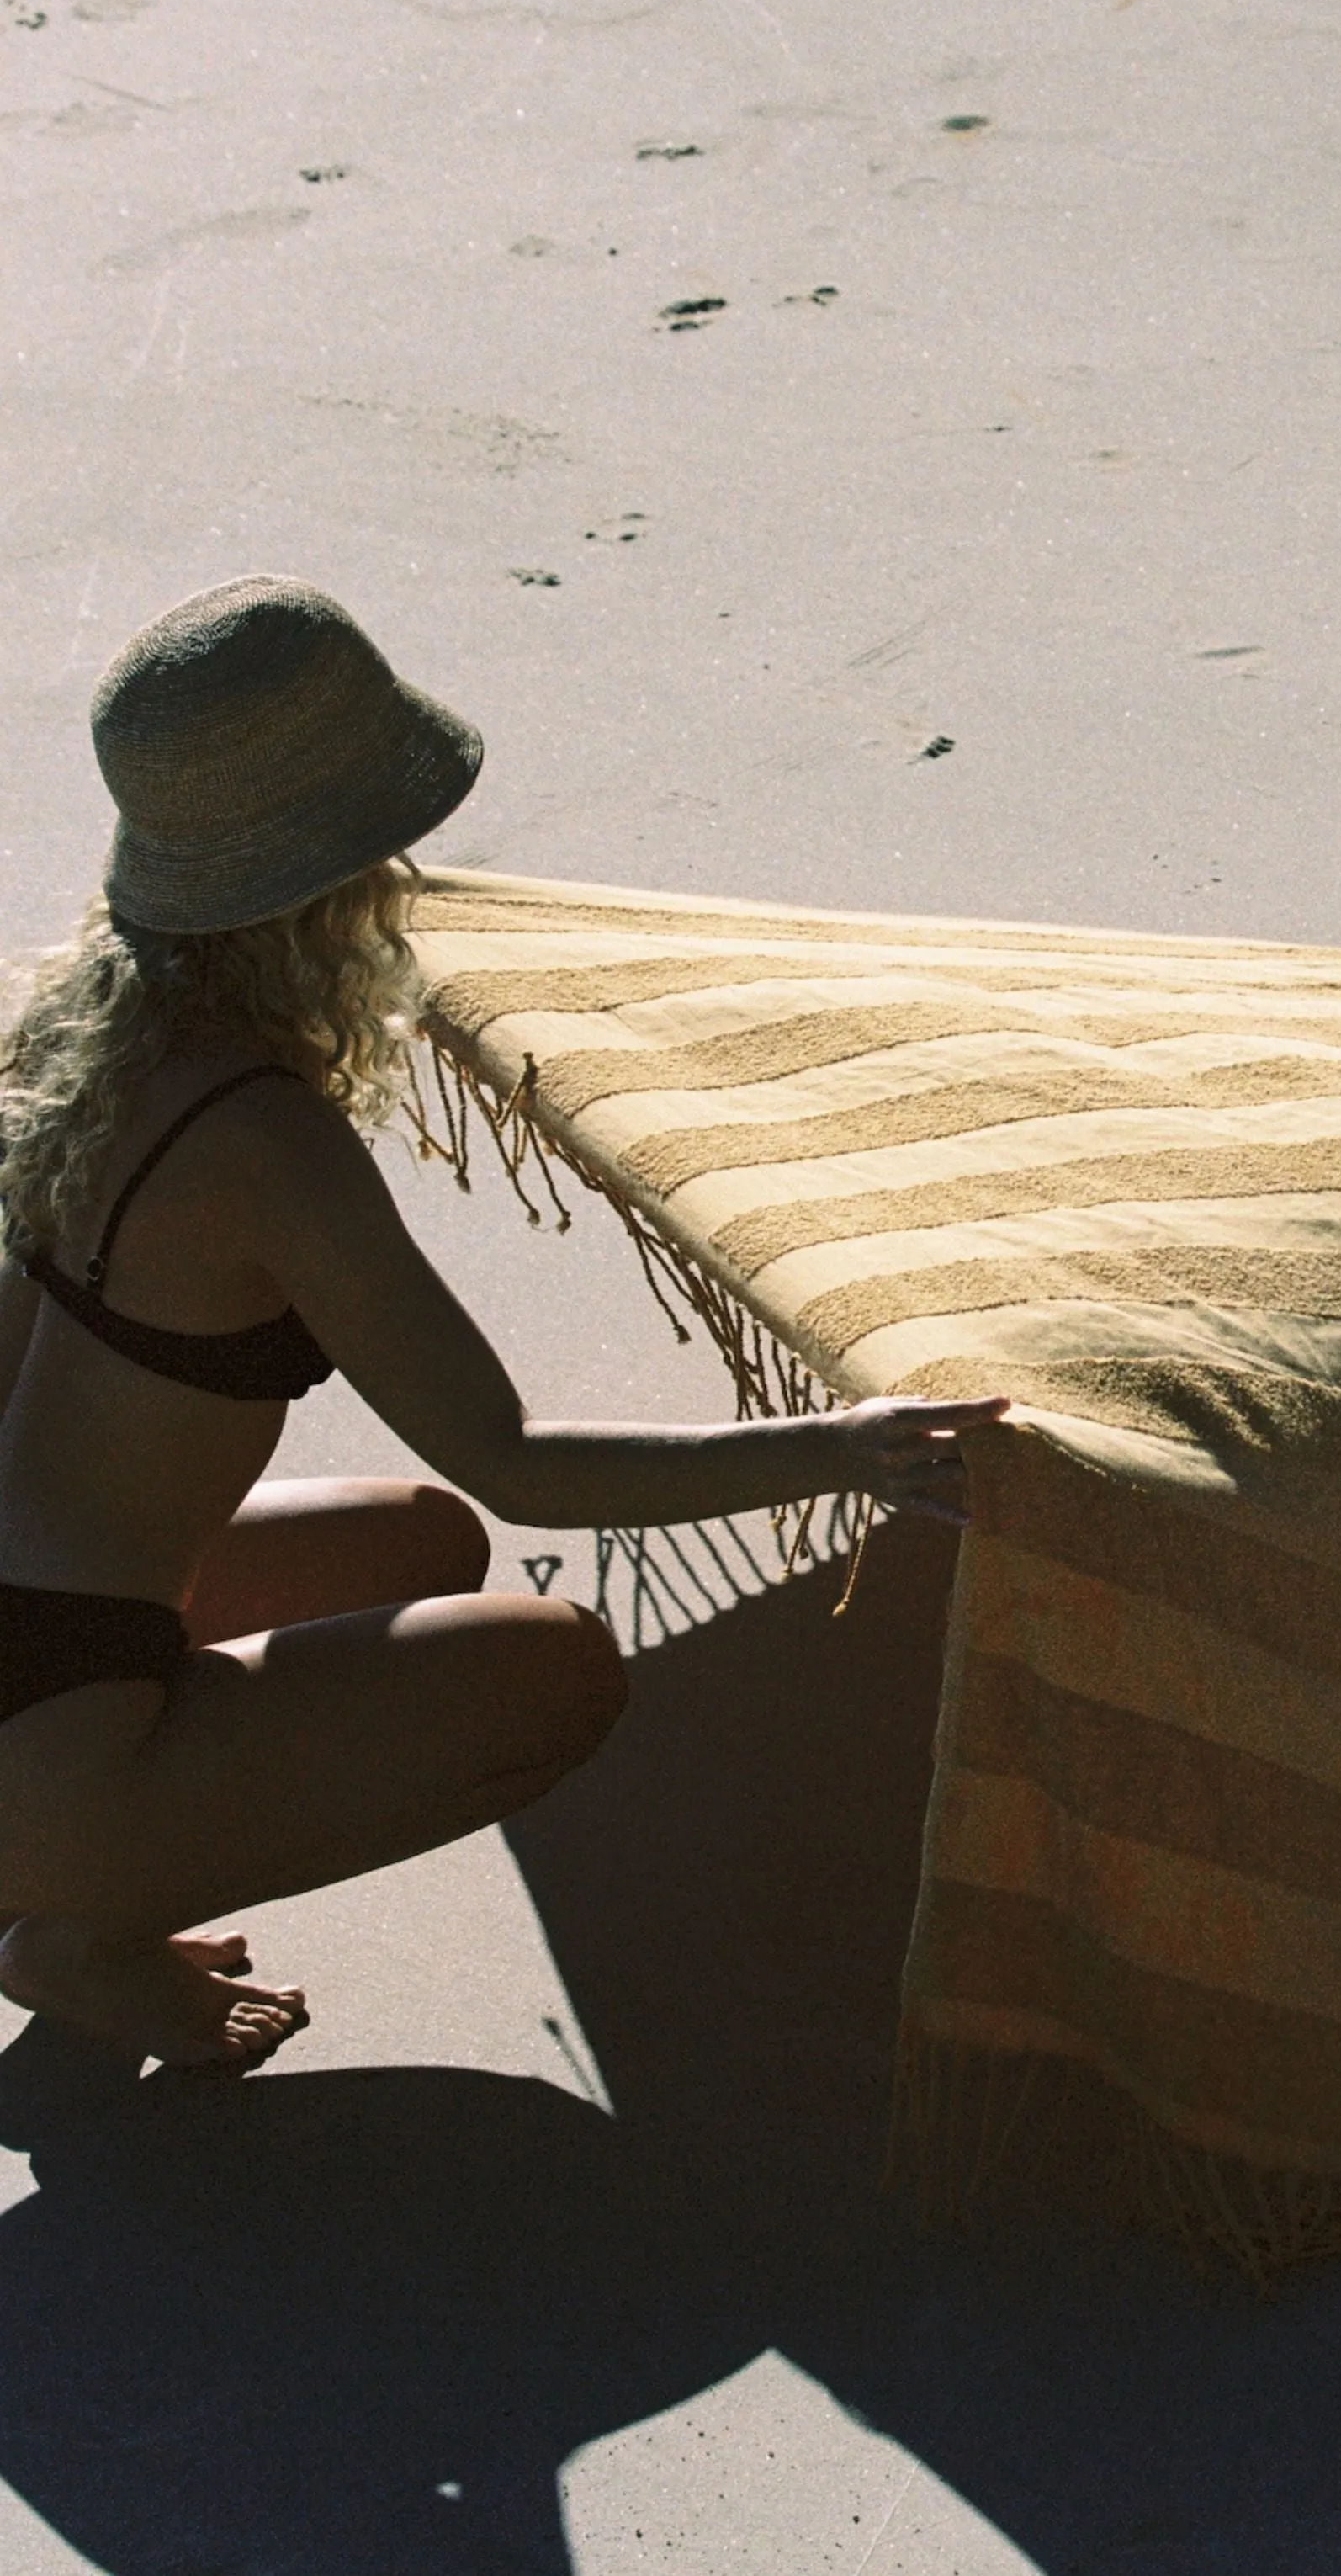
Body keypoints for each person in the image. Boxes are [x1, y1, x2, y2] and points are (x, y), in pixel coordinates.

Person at [0, 578, 1004, 2072]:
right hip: (50, 1729)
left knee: (423, 1545)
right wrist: (841, 1448)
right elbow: (520, 1463)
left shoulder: (68, 1037)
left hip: (42, 1633)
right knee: (557, 1672)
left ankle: (73, 1859)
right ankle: (69, 1932)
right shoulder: (259, 1142)